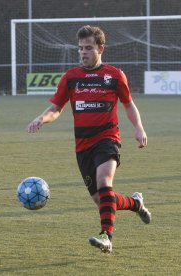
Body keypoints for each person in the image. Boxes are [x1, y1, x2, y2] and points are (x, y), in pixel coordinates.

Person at [26, 25, 151, 253]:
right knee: (102, 199)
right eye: (80, 48)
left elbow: (128, 105)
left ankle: (107, 237)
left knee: (105, 182)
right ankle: (135, 203)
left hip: (107, 138)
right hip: (82, 146)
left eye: (88, 48)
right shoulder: (71, 78)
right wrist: (42, 119)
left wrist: (139, 128)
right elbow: (56, 108)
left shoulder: (114, 75)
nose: (83, 52)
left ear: (100, 48)